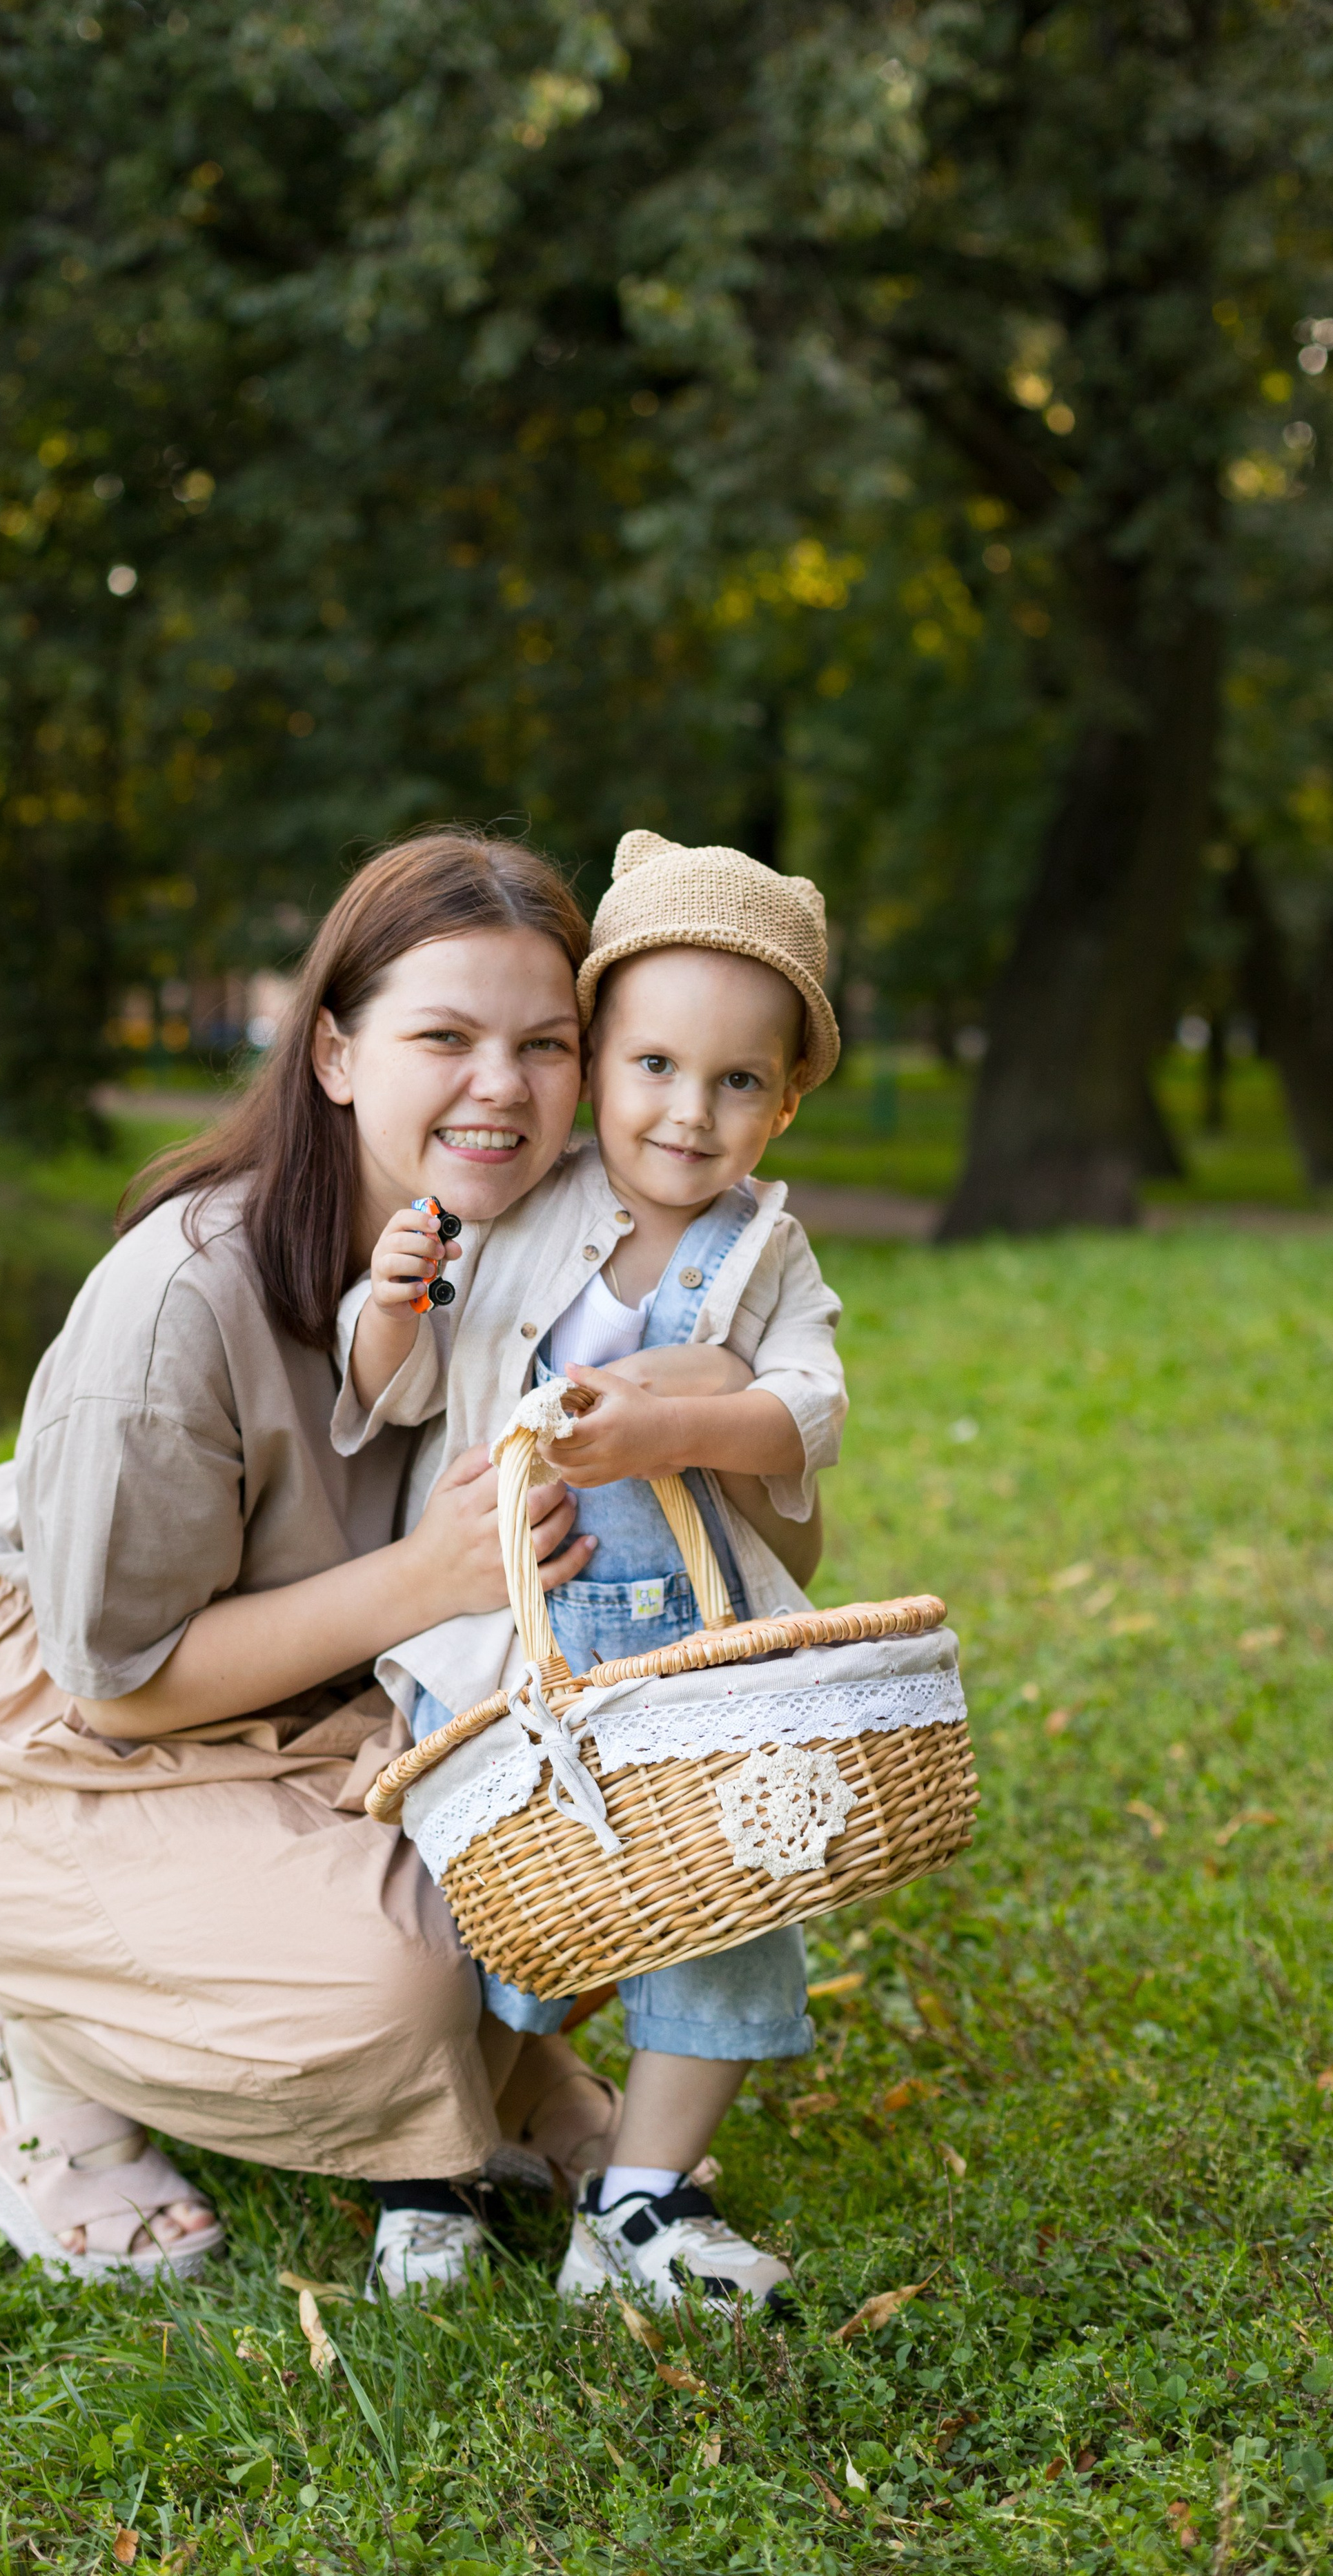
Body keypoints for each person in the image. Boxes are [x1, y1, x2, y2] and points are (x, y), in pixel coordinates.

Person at [0, 832, 623, 2299]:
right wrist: (430, 1576)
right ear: (334, 1053)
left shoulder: (510, 1248)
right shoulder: (177, 1301)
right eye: (445, 1037)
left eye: (546, 1044)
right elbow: (123, 1685)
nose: (503, 1086)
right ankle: (44, 2087)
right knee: (389, 1990)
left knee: (602, 1848)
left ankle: (493, 2065)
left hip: (327, 1700)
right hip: (69, 1739)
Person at [337, 830, 849, 2311]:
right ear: (594, 1062)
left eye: (736, 1081)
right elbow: (405, 1384)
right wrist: (388, 1308)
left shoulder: (767, 1254)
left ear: (785, 1099)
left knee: (723, 1909)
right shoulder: (521, 1209)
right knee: (494, 1909)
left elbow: (806, 1408)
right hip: (520, 1647)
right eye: (652, 1068)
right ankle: (432, 2164)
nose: (688, 1114)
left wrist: (676, 1423)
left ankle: (636, 2204)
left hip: (692, 1661)